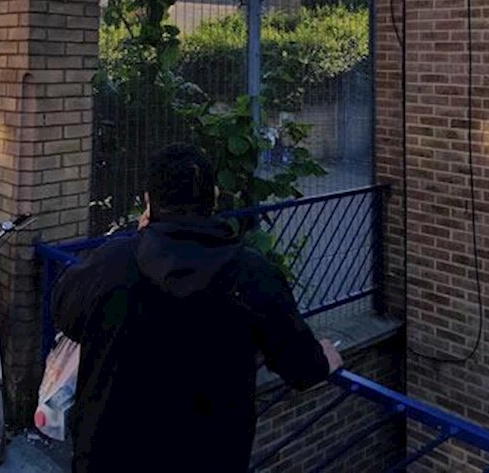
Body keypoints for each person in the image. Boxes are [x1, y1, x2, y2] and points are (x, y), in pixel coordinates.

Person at [53, 142, 343, 473]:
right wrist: (324, 358)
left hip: (109, 456)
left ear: (148, 201)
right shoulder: (252, 275)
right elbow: (300, 367)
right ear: (214, 198)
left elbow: (65, 313)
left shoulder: (110, 264)